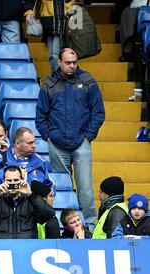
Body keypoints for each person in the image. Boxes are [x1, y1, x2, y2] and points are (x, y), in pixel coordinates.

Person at [36, 48, 105, 226]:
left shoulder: (88, 81)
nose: (72, 66)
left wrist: (88, 136)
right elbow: (40, 116)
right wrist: (48, 136)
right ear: (59, 62)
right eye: (68, 62)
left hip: (82, 143)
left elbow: (98, 113)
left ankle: (89, 225)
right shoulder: (48, 84)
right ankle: (63, 225)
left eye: (74, 62)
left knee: (86, 190)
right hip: (57, 145)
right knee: (61, 189)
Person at [0, 165, 55, 239]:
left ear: (22, 180)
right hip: (3, 249)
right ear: (3, 181)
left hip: (27, 248)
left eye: (16, 180)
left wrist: (30, 195)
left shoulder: (31, 200)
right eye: (9, 181)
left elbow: (49, 215)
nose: (12, 183)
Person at [0, 127, 55, 200]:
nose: (34, 146)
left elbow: (50, 189)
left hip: (32, 210)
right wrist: (1, 192)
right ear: (17, 143)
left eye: (34, 142)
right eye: (30, 143)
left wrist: (36, 199)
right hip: (3, 209)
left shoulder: (40, 162)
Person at [25, 0, 76, 72]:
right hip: (48, 23)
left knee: (55, 54)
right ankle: (55, 76)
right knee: (51, 55)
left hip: (63, 23)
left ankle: (58, 77)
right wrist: (29, 12)